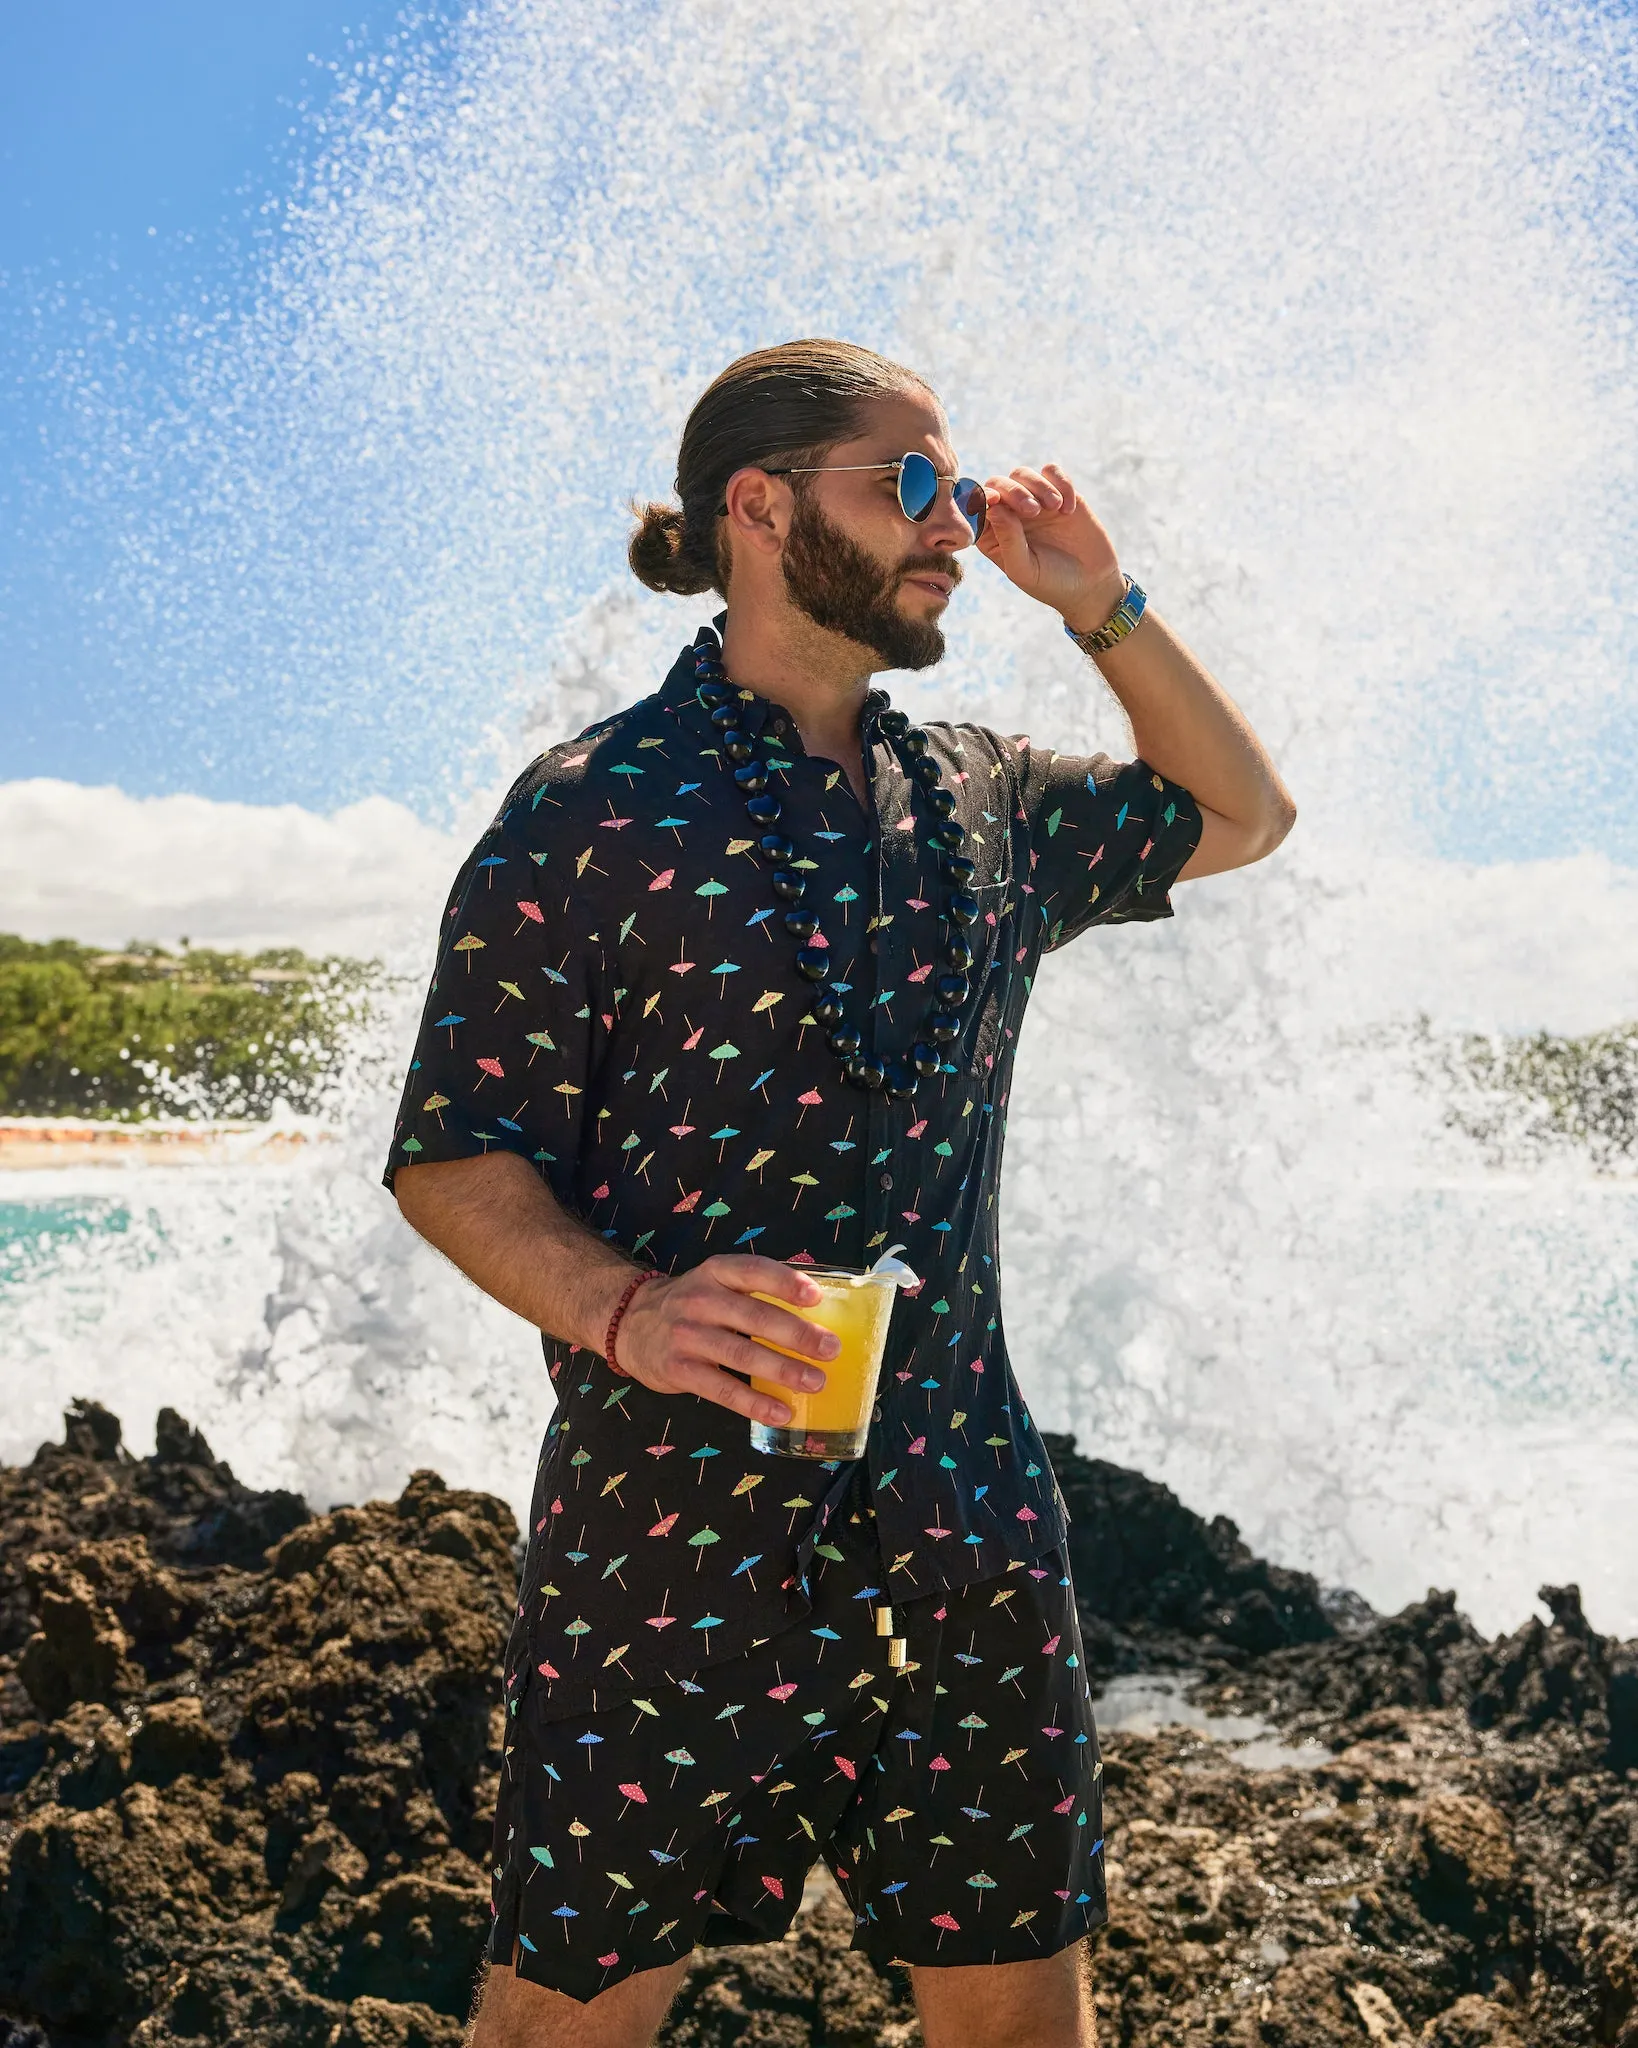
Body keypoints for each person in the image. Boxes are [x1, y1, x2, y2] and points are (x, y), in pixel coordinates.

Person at [386, 338, 1294, 2048]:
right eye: (912, 488)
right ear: (758, 505)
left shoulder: (985, 801)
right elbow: (451, 1153)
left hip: (959, 1523)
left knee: (1023, 2028)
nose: (949, 530)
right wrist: (625, 1309)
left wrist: (1099, 604)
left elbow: (1240, 812)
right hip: (661, 1544)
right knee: (558, 2029)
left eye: (954, 488)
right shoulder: (590, 815)